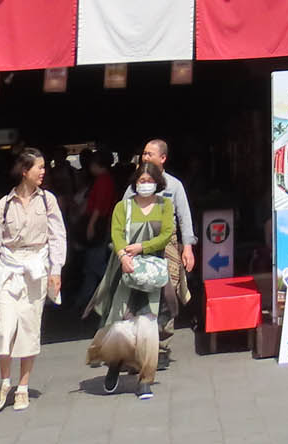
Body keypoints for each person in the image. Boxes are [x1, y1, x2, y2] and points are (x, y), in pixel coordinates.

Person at [0, 149, 66, 414]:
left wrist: (56, 270)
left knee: (29, 328)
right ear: (25, 171)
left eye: (44, 167)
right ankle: (5, 382)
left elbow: (58, 237)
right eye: (39, 167)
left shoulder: (48, 201)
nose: (43, 172)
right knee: (5, 328)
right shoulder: (3, 205)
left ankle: (23, 386)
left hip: (36, 269)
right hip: (8, 269)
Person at [83, 162, 172, 401]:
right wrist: (123, 256)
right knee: (120, 323)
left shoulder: (165, 205)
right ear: (135, 182)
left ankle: (145, 380)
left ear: (158, 182)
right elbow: (116, 234)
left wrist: (143, 247)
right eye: (142, 181)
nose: (146, 185)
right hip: (125, 270)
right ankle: (114, 364)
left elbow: (166, 235)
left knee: (148, 325)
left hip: (151, 272)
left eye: (149, 181)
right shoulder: (123, 207)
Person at [136, 141, 192, 349]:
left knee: (168, 292)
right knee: (142, 289)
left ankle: (162, 344)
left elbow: (184, 217)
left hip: (168, 244)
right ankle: (143, 344)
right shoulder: (136, 184)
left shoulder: (174, 185)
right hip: (141, 244)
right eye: (144, 154)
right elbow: (124, 212)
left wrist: (188, 247)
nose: (145, 157)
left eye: (149, 154)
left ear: (162, 158)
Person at [69, 151, 118, 311]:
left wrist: (91, 225)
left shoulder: (103, 180)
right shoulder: (106, 179)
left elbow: (99, 206)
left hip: (98, 225)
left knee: (95, 264)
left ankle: (116, 291)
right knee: (91, 266)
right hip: (100, 223)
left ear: (97, 165)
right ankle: (83, 300)